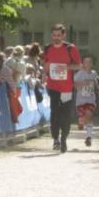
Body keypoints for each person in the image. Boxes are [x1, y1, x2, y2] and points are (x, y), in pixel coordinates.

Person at [42, 24, 81, 153]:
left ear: (64, 35)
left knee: (65, 114)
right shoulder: (47, 48)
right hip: (53, 86)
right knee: (54, 113)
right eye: (54, 35)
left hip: (66, 88)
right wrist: (43, 75)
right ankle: (55, 138)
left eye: (59, 35)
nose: (56, 38)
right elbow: (46, 64)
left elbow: (79, 66)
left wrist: (66, 68)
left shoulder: (70, 48)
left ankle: (64, 138)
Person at [74, 56, 99, 147]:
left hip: (90, 100)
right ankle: (80, 122)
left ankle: (89, 137)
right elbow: (74, 84)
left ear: (92, 64)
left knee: (89, 115)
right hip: (81, 100)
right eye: (86, 62)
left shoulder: (94, 73)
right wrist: (83, 84)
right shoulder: (79, 73)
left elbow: (96, 84)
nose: (88, 64)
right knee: (83, 119)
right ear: (83, 64)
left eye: (90, 62)